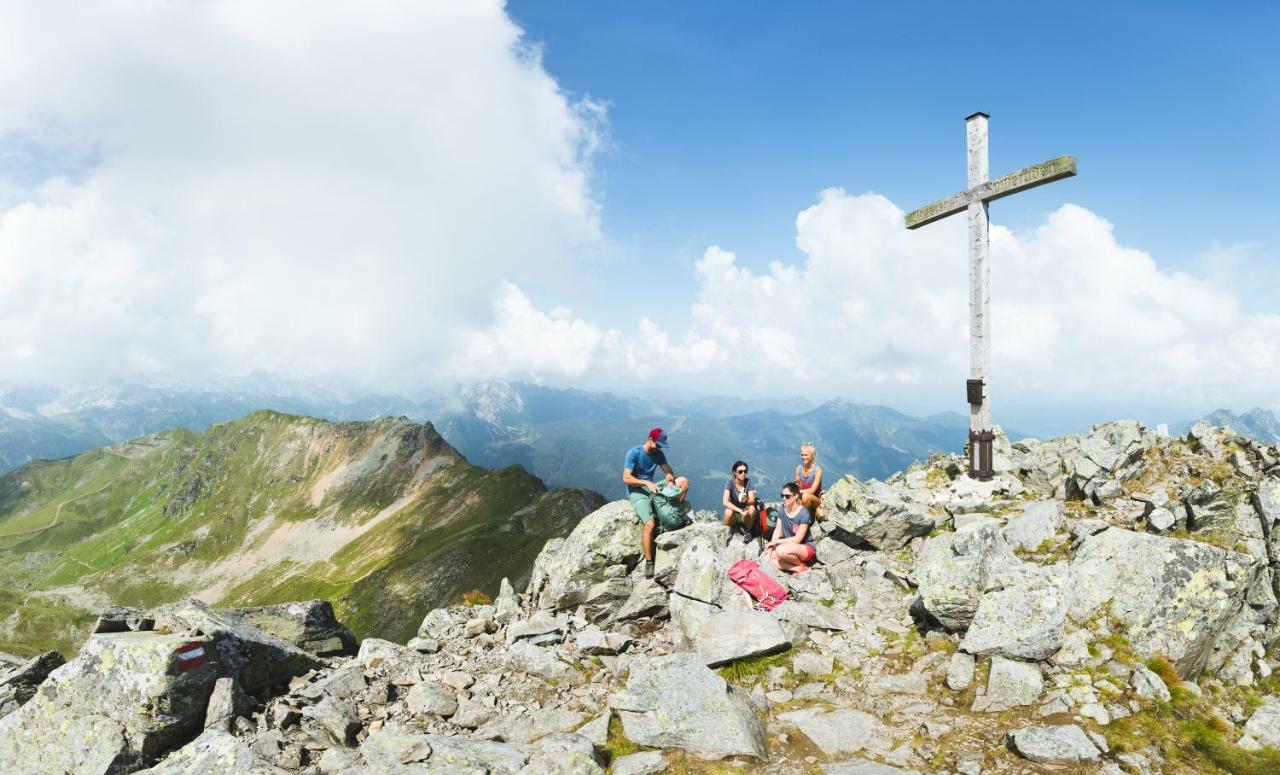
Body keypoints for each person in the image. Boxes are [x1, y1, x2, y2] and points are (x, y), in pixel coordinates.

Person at [622, 427, 690, 577]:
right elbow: (626, 478)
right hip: (637, 492)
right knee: (650, 524)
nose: (659, 448)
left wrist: (670, 481)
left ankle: (676, 513)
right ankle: (649, 562)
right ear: (651, 439)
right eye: (658, 444)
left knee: (683, 481)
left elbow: (669, 472)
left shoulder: (658, 453)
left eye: (661, 446)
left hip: (653, 487)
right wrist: (646, 483)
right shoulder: (634, 453)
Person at [762, 481, 816, 573]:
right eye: (782, 495)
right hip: (789, 547)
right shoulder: (782, 509)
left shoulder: (803, 513)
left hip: (805, 548)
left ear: (795, 496)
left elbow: (797, 539)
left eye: (787, 496)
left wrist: (776, 542)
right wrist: (771, 547)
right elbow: (778, 530)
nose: (784, 498)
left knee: (780, 551)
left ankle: (801, 564)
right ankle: (798, 568)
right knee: (764, 557)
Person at [721, 460, 757, 538]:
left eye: (745, 471)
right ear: (735, 472)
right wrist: (739, 510)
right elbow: (724, 502)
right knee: (728, 511)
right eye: (740, 472)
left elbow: (752, 500)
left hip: (745, 515)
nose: (743, 474)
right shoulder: (730, 483)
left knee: (752, 509)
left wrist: (746, 499)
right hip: (735, 513)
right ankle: (724, 533)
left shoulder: (748, 482)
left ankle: (748, 532)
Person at [795, 442, 824, 518]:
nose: (803, 457)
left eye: (806, 455)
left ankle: (808, 520)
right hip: (803, 498)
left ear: (813, 455)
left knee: (805, 496)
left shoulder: (818, 470)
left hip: (815, 500)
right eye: (802, 455)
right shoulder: (798, 469)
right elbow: (797, 486)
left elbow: (812, 490)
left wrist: (799, 491)